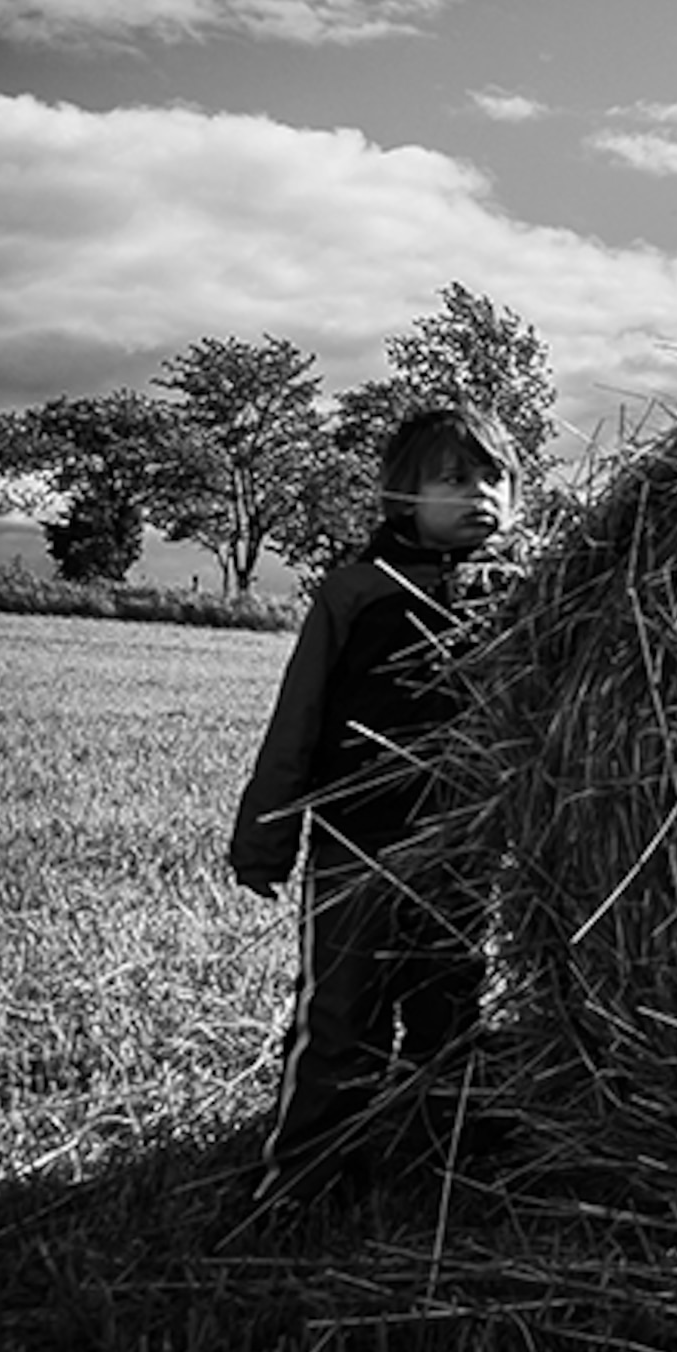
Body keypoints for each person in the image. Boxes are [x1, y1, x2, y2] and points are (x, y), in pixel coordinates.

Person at [228, 403, 519, 1210]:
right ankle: (305, 1181)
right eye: (455, 478)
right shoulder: (356, 592)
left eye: (495, 476)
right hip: (358, 845)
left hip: (465, 850)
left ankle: (447, 1167)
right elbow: (298, 722)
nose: (481, 494)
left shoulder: (520, 597)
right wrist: (265, 841)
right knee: (338, 1015)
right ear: (402, 495)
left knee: (450, 1007)